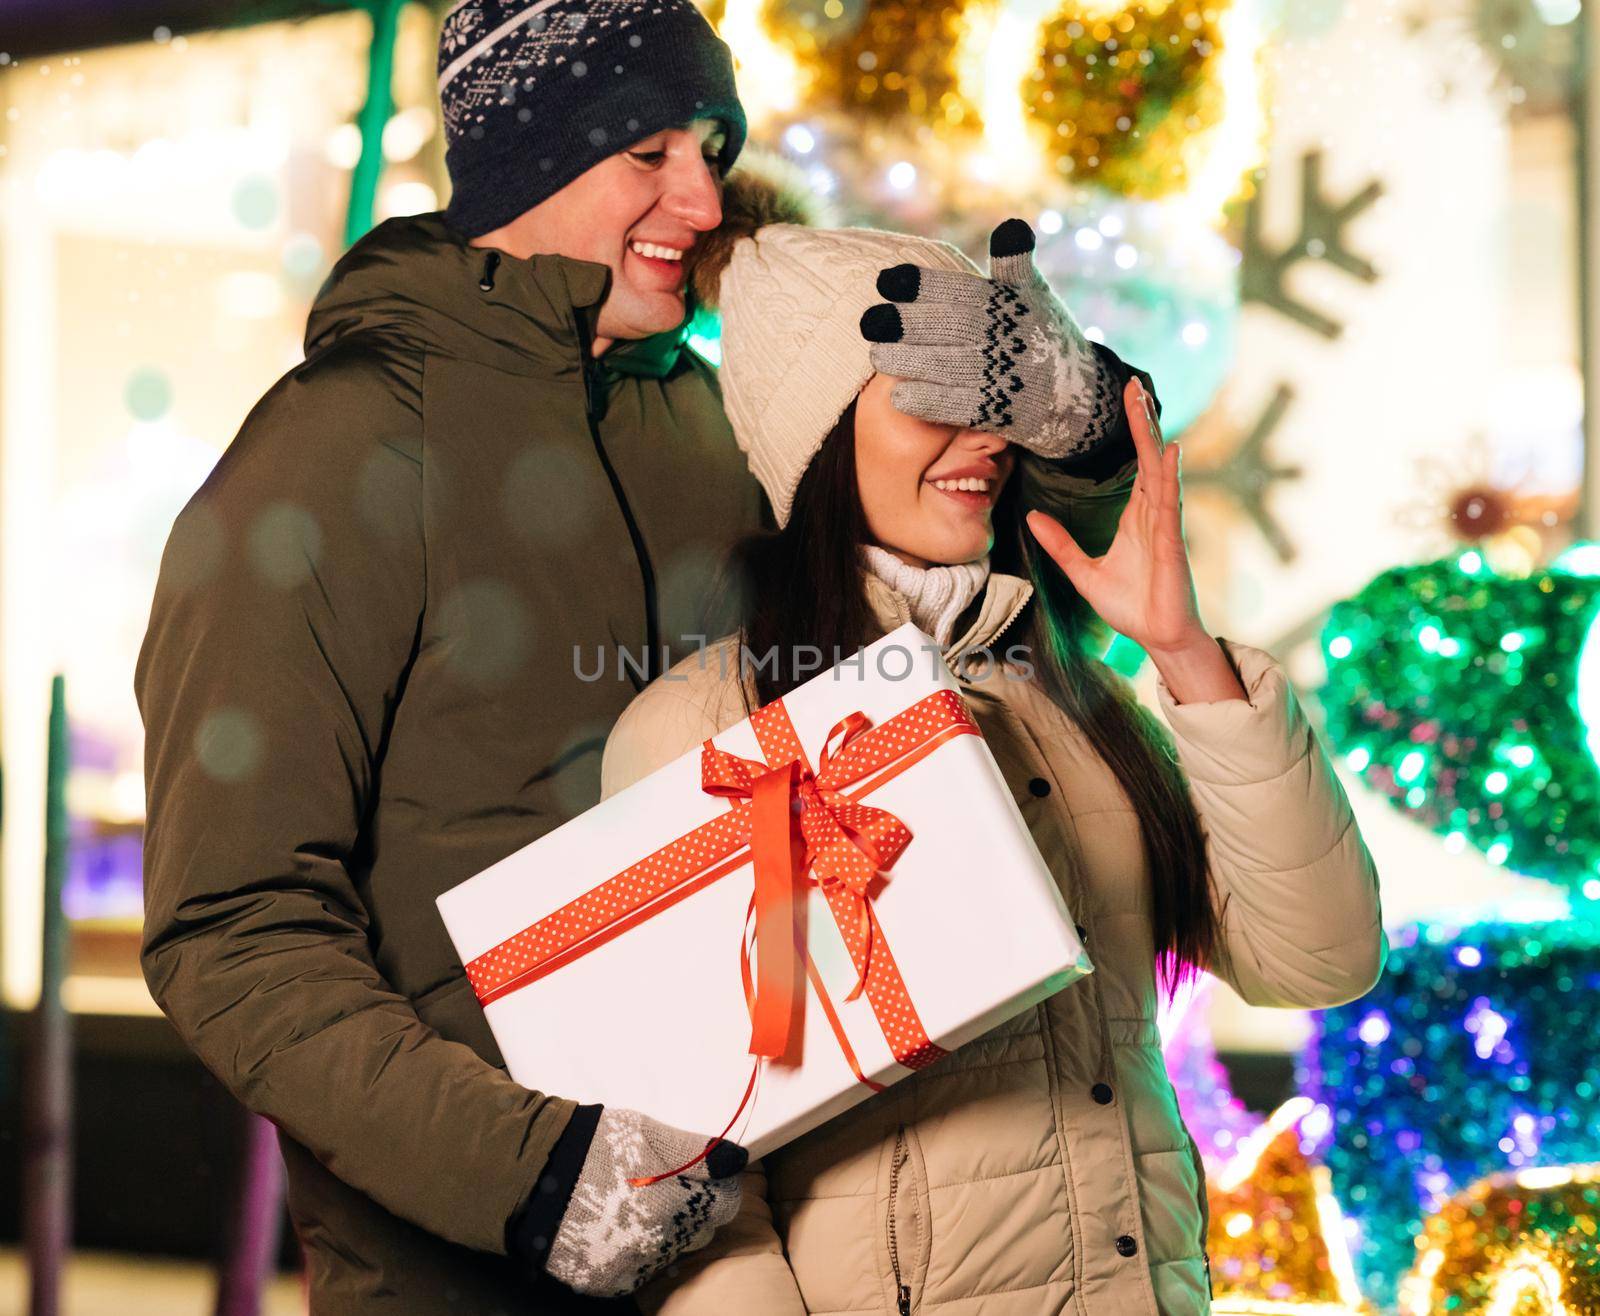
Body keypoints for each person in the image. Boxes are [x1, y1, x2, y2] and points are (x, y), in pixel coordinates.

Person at [134, 2, 1159, 1311]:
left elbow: (992, 578)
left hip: (775, 1244)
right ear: (526, 161)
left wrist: (1073, 424)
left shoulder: (725, 424)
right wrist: (535, 1173)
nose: (702, 192)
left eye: (713, 146)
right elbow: (230, 930)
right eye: (648, 154)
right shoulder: (333, 459)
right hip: (474, 1267)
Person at [598, 172, 1389, 1315]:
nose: (986, 439)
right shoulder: (709, 728)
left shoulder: (1073, 700)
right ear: (818, 441)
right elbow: (687, 1165)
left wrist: (1184, 653)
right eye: (933, 397)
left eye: (1000, 398)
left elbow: (1319, 958)